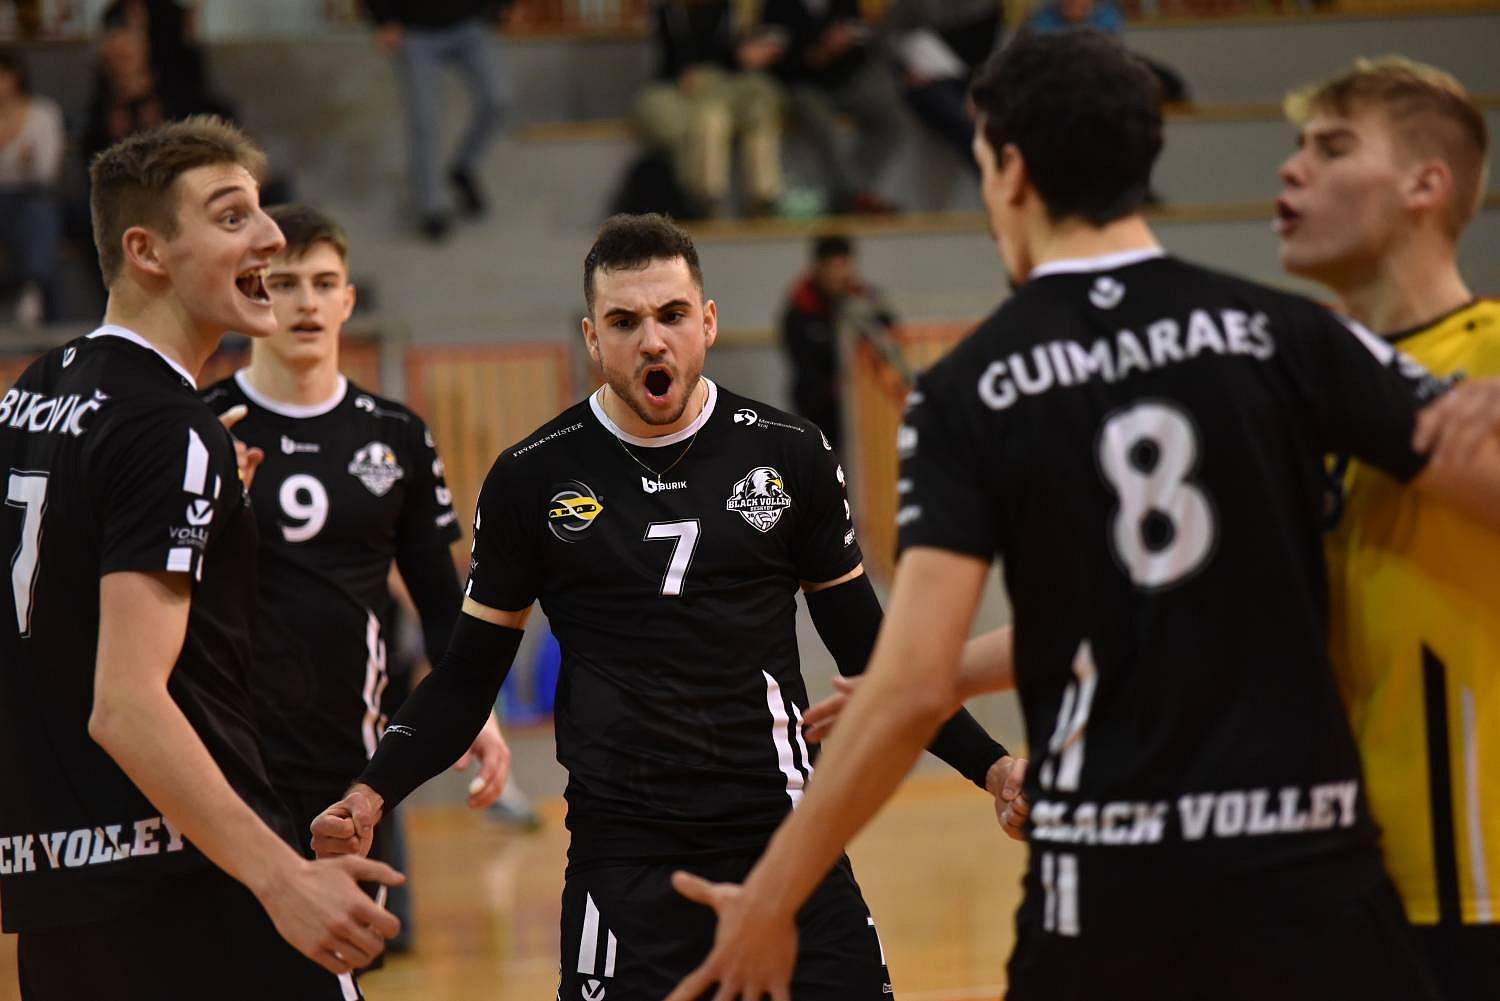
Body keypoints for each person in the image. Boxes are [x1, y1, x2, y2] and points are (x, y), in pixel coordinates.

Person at [661, 31, 1500, 1001]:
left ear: (1011, 170)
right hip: (1302, 875)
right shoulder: (1283, 332)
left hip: (1106, 885)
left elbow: (912, 683)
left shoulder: (969, 388)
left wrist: (772, 893)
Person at [311, 212, 1013, 1000]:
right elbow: (466, 678)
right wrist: (371, 791)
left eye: (672, 315)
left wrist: (992, 766)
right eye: (625, 321)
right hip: (624, 858)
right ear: (592, 337)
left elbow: (874, 655)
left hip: (784, 835)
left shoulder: (789, 453)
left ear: (707, 322)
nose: (652, 340)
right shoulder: (531, 477)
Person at [0, 117, 401, 999]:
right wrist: (281, 877)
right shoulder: (167, 426)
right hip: (194, 887)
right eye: (231, 217)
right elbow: (126, 705)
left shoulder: (35, 390)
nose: (269, 236)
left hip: (57, 901)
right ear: (146, 250)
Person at [1276, 57, 1498, 999]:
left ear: (1425, 184)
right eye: (1296, 147)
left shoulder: (1489, 353)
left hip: (1480, 889)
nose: (1292, 169)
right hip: (1342, 879)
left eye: (1331, 148)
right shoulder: (1302, 388)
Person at [199, 203, 510, 862]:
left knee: (351, 930)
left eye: (322, 283)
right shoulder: (203, 423)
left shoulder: (395, 435)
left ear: (347, 300)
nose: (306, 302)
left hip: (351, 763)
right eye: (284, 283)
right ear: (251, 294)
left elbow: (439, 602)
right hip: (221, 753)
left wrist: (474, 707)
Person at [365, 0, 513, 240]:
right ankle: (431, 207)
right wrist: (382, 19)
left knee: (497, 100)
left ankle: (463, 168)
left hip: (469, 25)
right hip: (416, 32)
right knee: (425, 120)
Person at [634, 0, 785, 219]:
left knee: (761, 115)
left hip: (730, 85)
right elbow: (674, 60)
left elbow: (741, 53)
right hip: (689, 90)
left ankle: (764, 197)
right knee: (713, 119)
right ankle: (707, 198)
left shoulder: (733, 11)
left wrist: (747, 54)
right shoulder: (670, 13)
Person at [759, 0, 904, 214]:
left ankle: (856, 191)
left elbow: (862, 33)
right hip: (802, 85)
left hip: (844, 80)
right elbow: (770, 53)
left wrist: (845, 42)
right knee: (826, 125)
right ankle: (854, 196)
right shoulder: (777, 5)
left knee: (892, 116)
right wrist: (816, 52)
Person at [780, 233, 896, 455]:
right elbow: (804, 368)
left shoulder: (868, 302)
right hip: (820, 415)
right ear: (818, 268)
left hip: (865, 412)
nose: (839, 274)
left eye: (844, 266)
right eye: (832, 267)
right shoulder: (801, 309)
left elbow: (890, 339)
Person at [0, 48, 64, 324]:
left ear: (14, 76)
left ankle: (33, 289)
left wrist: (27, 164)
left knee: (39, 210)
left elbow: (46, 173)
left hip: (30, 195)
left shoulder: (43, 113)